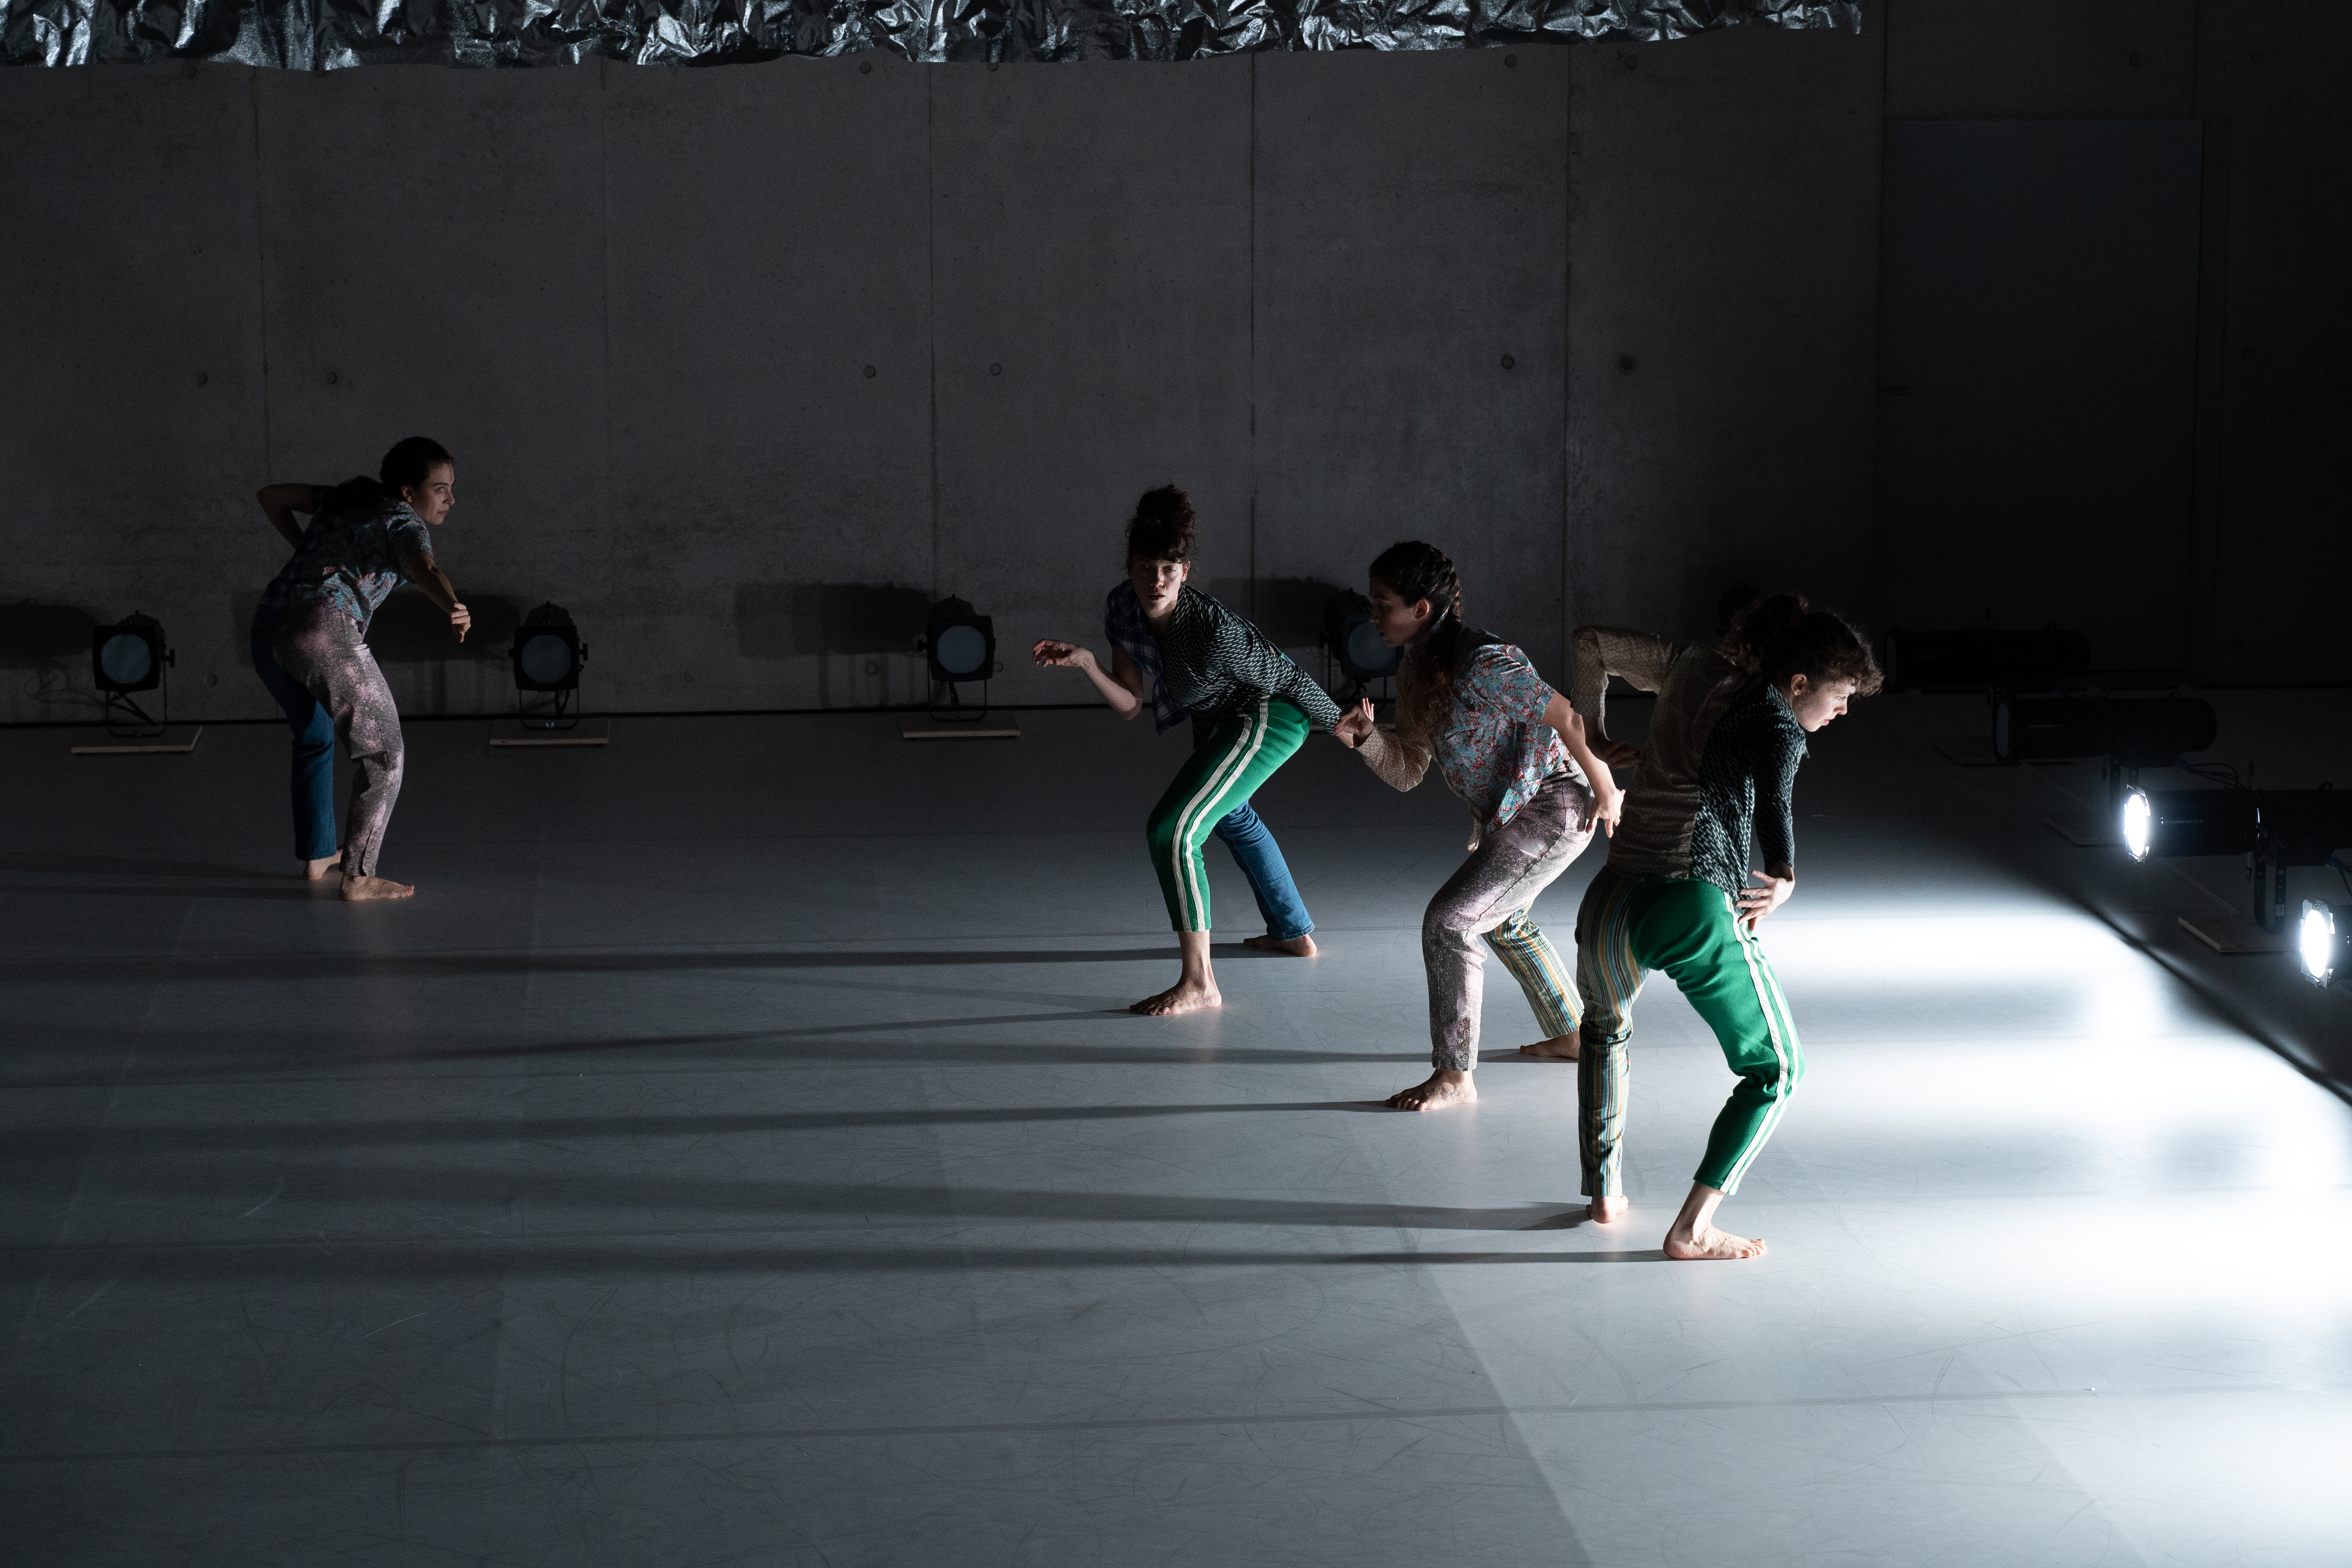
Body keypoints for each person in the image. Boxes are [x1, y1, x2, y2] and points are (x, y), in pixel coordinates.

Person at [1566, 594, 1879, 1259]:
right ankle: (1692, 1228)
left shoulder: (1688, 664)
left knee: (1603, 1032)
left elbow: (1591, 641)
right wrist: (1785, 871)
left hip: (1609, 899)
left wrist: (1592, 735)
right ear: (1796, 677)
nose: (1844, 710)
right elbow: (1775, 791)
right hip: (1689, 902)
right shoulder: (1772, 711)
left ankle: (1603, 1194)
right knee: (1778, 1070)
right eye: (1840, 695)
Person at [1331, 542, 1623, 1111]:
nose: (1371, 617)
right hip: (1514, 815)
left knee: (1450, 922)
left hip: (1556, 805)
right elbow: (1409, 770)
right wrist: (1367, 741)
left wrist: (1607, 787)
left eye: (1381, 604)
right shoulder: (1416, 670)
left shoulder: (1483, 661)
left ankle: (1453, 1075)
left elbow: (1564, 714)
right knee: (1501, 917)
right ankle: (1572, 1033)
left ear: (1420, 608)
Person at [1032, 485, 1346, 1014]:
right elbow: (1131, 703)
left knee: (1173, 828)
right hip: (1219, 721)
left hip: (1268, 716)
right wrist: (1087, 664)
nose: (1156, 581)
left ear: (1186, 571)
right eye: (1144, 567)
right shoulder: (1122, 608)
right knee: (1231, 817)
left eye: (1169, 569)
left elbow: (1288, 676)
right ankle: (1292, 932)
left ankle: (1200, 983)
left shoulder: (1212, 629)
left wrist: (1349, 728)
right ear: (1129, 568)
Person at [250, 437, 471, 901]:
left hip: (269, 626)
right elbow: (424, 568)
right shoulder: (403, 519)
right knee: (384, 754)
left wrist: (306, 544)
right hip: (320, 630)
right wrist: (453, 604)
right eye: (441, 489)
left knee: (315, 737)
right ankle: (359, 876)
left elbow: (270, 496)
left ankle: (317, 856)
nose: (451, 499)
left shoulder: (345, 499)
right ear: (409, 492)